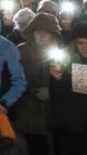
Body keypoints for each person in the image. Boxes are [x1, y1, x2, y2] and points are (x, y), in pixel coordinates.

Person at [13, 13, 60, 155]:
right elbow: (15, 77)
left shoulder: (61, 52)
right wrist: (33, 90)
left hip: (54, 112)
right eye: (38, 32)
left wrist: (51, 90)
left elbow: (66, 81)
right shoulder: (21, 50)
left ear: (53, 34)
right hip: (28, 110)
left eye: (46, 32)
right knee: (33, 146)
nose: (42, 35)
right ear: (32, 33)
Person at [48, 22, 87, 155]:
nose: (84, 47)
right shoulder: (64, 62)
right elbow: (56, 97)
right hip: (69, 125)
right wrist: (58, 79)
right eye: (80, 43)